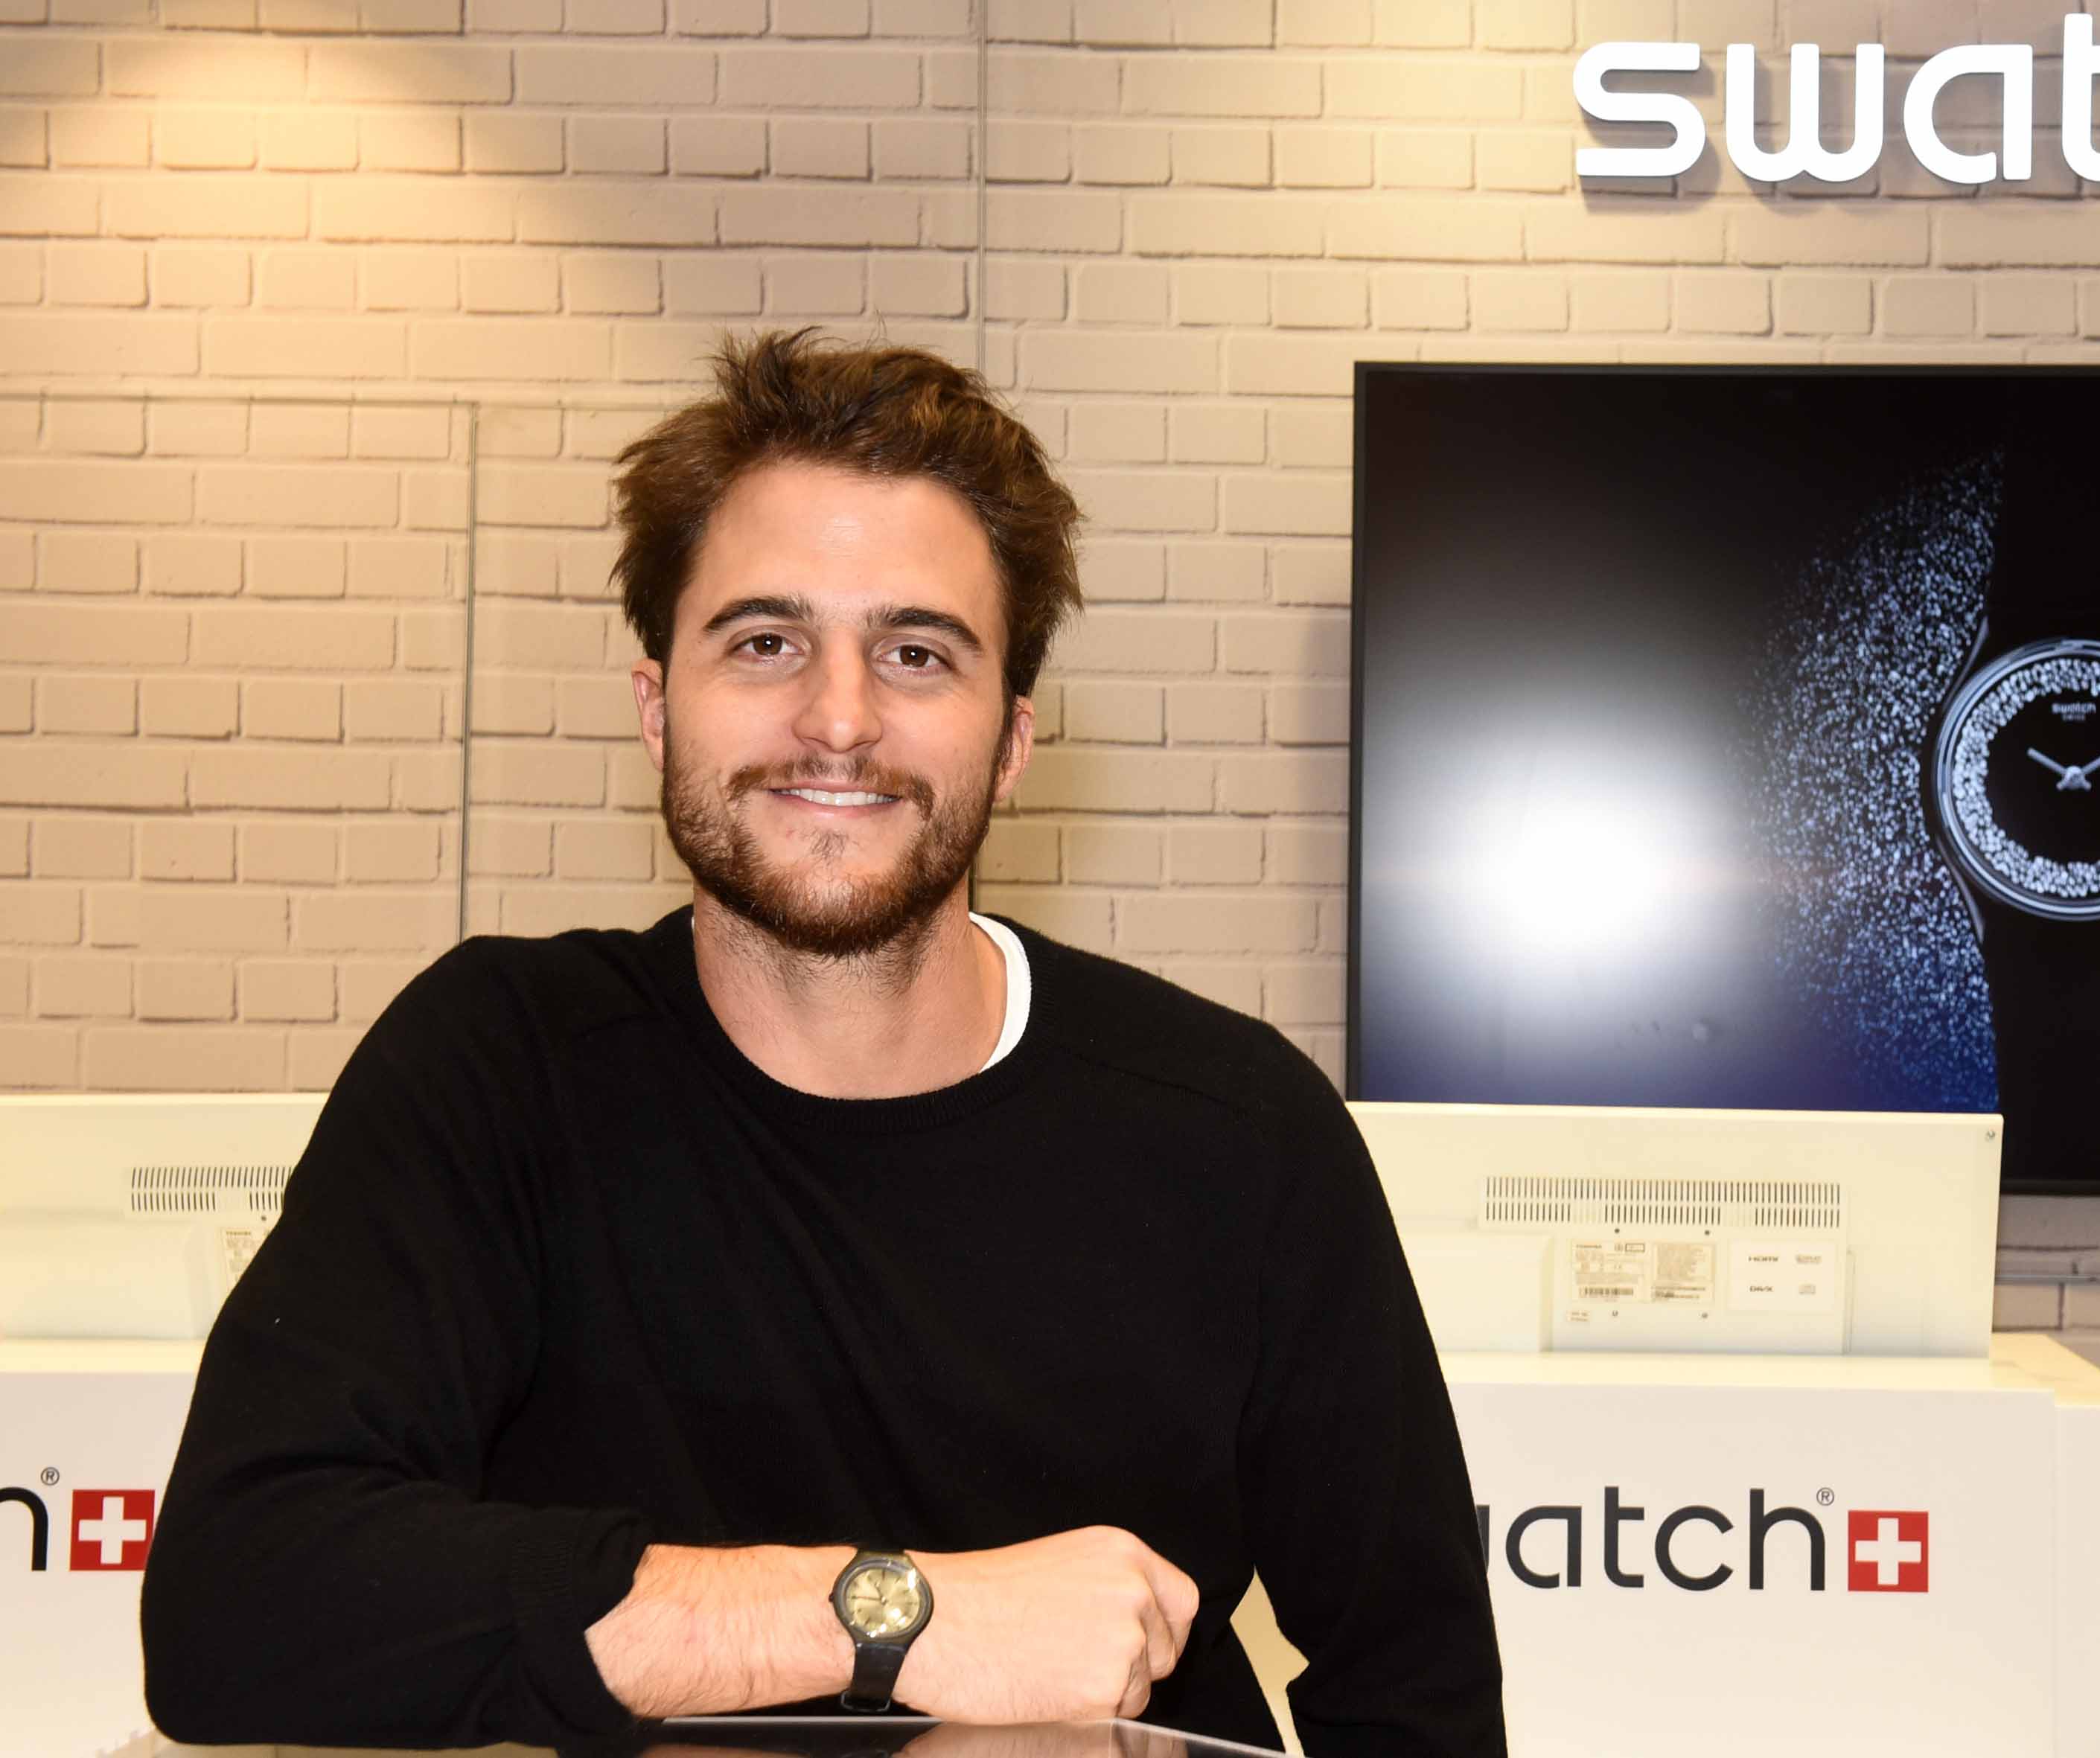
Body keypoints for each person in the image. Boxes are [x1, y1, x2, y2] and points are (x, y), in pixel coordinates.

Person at [139, 331, 1505, 1758]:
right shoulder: (499, 1069)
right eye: (765, 641)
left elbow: (1419, 1706)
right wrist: (894, 1618)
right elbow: (241, 1601)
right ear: (657, 705)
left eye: (916, 652)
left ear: (1014, 740)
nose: (838, 719)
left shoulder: (1240, 1134)